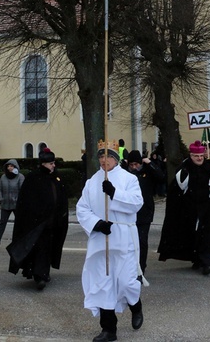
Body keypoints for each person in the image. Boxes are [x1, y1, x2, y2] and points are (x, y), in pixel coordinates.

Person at [77, 140, 144, 342]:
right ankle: (109, 329)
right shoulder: (92, 182)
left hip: (123, 237)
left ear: (115, 159)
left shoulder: (128, 179)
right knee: (102, 283)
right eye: (101, 157)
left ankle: (136, 305)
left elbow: (136, 203)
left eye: (108, 156)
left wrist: (114, 192)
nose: (104, 160)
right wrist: (97, 223)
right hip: (102, 239)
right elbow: (82, 208)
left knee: (125, 281)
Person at [7, 148, 68, 290]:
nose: (53, 165)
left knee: (48, 249)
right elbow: (27, 202)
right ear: (44, 164)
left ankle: (44, 273)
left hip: (53, 222)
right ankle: (39, 275)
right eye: (51, 163)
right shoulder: (33, 178)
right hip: (38, 224)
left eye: (54, 163)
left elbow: (62, 196)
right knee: (40, 249)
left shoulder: (56, 177)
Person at [158, 141, 210, 275]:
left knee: (207, 236)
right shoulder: (184, 169)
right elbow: (177, 190)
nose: (199, 158)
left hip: (207, 209)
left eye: (201, 156)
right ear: (191, 156)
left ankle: (206, 262)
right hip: (189, 209)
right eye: (195, 156)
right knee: (193, 235)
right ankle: (196, 258)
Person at [125, 149, 165, 274]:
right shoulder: (125, 174)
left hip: (144, 211)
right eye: (131, 165)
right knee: (128, 242)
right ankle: (130, 267)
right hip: (128, 212)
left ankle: (141, 267)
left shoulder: (147, 171)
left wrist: (150, 163)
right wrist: (123, 163)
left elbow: (161, 177)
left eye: (136, 164)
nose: (134, 167)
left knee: (142, 241)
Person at [0, 159, 25, 248]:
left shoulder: (20, 177)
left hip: (16, 204)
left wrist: (19, 201)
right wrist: (1, 199)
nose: (10, 168)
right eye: (8, 166)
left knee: (20, 224)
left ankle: (21, 241)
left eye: (11, 166)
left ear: (15, 167)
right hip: (5, 204)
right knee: (2, 223)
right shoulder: (3, 177)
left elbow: (23, 190)